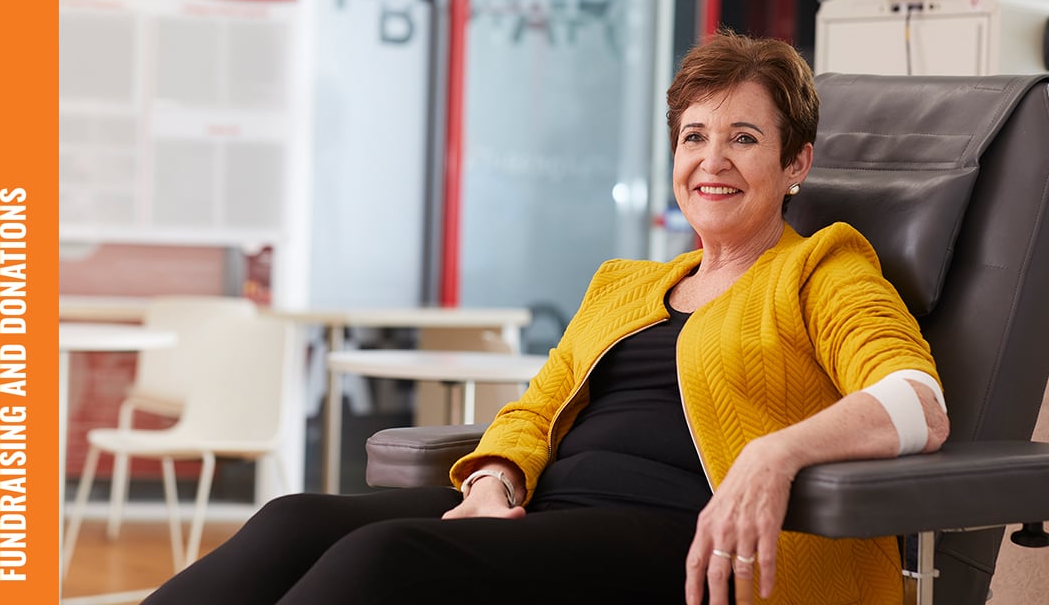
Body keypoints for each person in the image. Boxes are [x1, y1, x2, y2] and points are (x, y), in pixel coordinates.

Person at [141, 31, 949, 605]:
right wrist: (494, 480)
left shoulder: (820, 268)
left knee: (387, 556)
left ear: (795, 163)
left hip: (685, 537)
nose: (713, 161)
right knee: (293, 519)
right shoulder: (623, 285)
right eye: (694, 136)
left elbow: (918, 400)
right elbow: (536, 405)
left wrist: (774, 456)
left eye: (744, 138)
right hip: (551, 511)